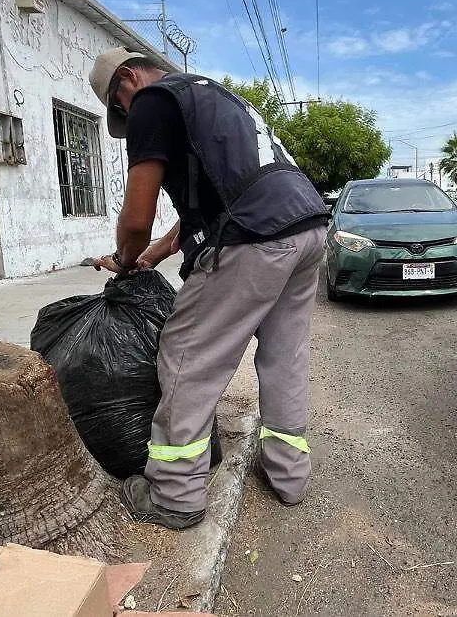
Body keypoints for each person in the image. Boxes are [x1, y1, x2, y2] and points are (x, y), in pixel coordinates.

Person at [88, 48, 329, 530]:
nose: (127, 119)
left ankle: (175, 494)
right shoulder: (211, 95)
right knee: (285, 356)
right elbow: (216, 200)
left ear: (128, 80)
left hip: (254, 237)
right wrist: (154, 255)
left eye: (119, 107)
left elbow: (136, 219)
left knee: (186, 355)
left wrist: (125, 257)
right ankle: (288, 474)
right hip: (306, 228)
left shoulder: (153, 101)